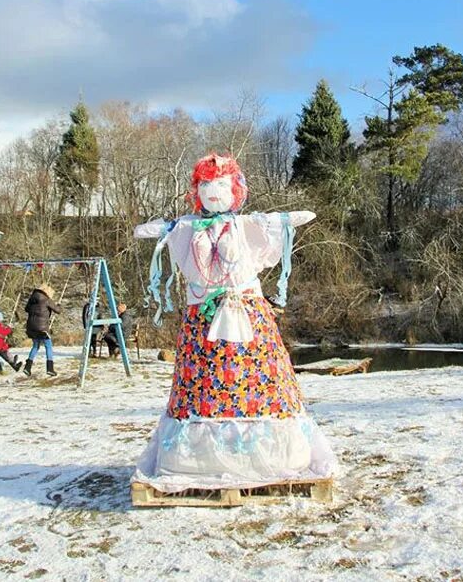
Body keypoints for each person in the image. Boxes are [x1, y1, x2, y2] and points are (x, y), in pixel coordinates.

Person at [131, 153, 336, 493]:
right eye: (207, 186)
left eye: (221, 185)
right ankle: (195, 457)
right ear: (199, 191)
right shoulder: (187, 229)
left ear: (234, 189)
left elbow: (273, 223)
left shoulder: (245, 226)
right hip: (204, 321)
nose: (214, 193)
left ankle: (272, 453)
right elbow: (168, 229)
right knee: (203, 381)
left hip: (245, 315)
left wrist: (289, 220)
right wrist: (155, 230)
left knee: (257, 375)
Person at [23, 284, 61, 377]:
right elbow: (58, 310)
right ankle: (50, 368)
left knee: (35, 346)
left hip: (31, 327)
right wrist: (59, 305)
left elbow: (26, 309)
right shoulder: (47, 300)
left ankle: (27, 367)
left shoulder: (32, 299)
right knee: (48, 346)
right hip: (42, 328)